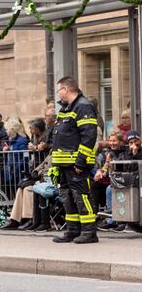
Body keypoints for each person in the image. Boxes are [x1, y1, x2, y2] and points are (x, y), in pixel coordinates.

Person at [51, 76, 100, 244]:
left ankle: (89, 232)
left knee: (81, 196)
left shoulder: (83, 106)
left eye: (59, 90)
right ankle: (73, 230)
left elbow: (89, 136)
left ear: (65, 89)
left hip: (76, 164)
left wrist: (81, 161)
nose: (58, 94)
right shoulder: (66, 109)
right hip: (64, 164)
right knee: (67, 197)